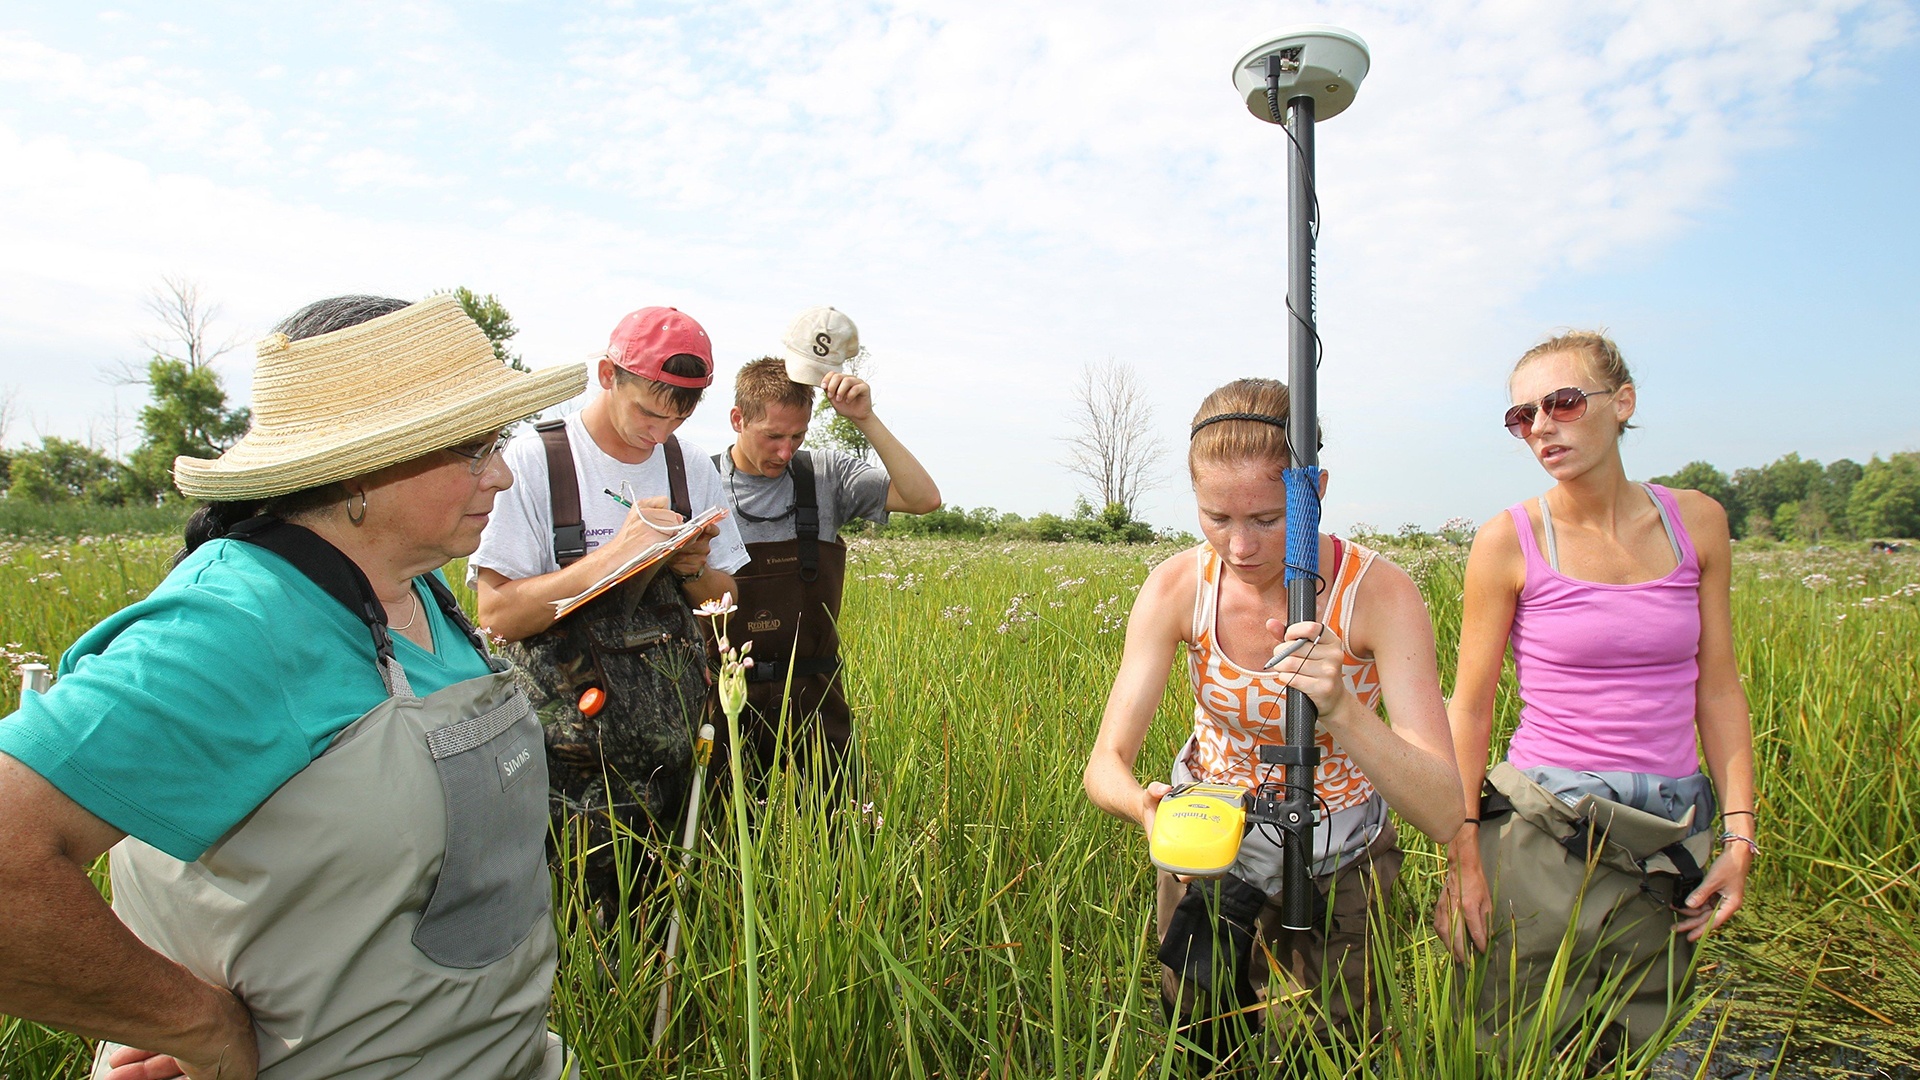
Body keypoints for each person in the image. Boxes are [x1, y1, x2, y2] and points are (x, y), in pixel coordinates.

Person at [0, 293, 586, 1079]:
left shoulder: (416, 591)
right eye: (473, 449)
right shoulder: (239, 624)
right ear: (356, 470)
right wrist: (195, 1024)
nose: (504, 475)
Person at [1082, 378, 1463, 1061]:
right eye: (1215, 517)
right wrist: (1145, 810)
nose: (1239, 547)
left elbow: (1441, 809)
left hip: (1337, 861)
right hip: (1206, 854)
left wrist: (1342, 708)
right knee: (1199, 1039)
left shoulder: (1380, 593)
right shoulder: (1177, 586)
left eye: (1264, 519)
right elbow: (1105, 764)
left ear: (1312, 493)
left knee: (1330, 1048)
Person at [1431, 331, 1757, 1052]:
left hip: (1666, 838)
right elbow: (1471, 705)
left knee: (1632, 1041)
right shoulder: (1507, 540)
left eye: (1563, 402)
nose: (1541, 426)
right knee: (1505, 1040)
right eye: (1522, 416)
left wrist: (1738, 837)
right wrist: (1464, 856)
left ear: (1624, 404)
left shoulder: (1697, 522)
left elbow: (1720, 688)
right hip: (1546, 825)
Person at [471, 305, 748, 924]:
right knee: (572, 931)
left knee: (678, 921)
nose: (661, 431)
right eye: (649, 411)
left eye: (681, 412)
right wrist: (618, 555)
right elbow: (496, 613)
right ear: (606, 374)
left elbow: (722, 595)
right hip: (567, 774)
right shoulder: (533, 461)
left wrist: (690, 568)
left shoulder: (690, 466)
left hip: (682, 760)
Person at [713, 307, 940, 785]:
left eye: (797, 436)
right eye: (772, 436)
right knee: (728, 840)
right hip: (723, 699)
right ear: (737, 418)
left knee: (835, 836)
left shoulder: (826, 476)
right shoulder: (699, 481)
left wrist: (865, 419)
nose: (785, 451)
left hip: (814, 702)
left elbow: (925, 498)